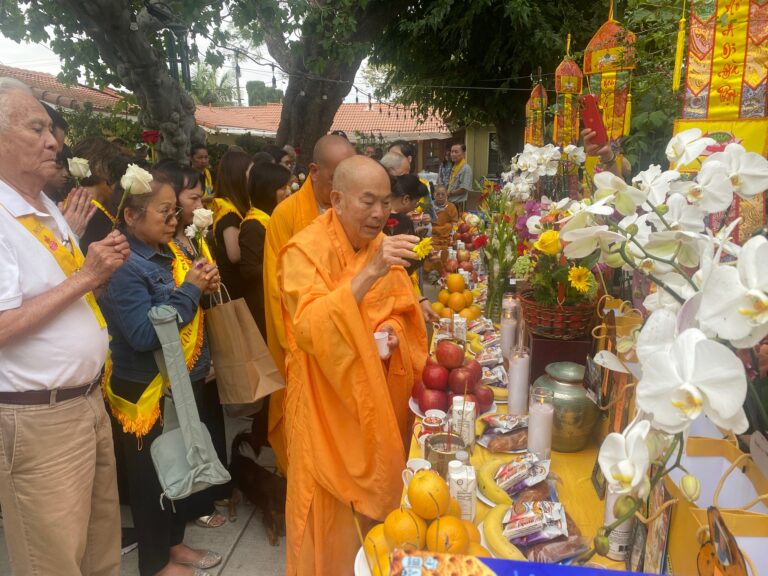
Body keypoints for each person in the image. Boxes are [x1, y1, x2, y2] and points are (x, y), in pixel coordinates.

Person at [0, 77, 129, 575]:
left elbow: (66, 294)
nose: (54, 140)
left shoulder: (48, 207)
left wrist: (96, 272)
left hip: (86, 401)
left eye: (52, 129)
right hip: (39, 418)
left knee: (99, 551)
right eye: (37, 128)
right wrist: (88, 274)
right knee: (52, 560)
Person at [279, 155, 428, 574]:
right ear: (337, 200)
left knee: (377, 525)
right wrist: (369, 275)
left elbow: (401, 308)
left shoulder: (379, 246)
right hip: (325, 405)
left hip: (373, 394)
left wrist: (396, 330)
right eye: (368, 202)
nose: (380, 213)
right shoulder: (304, 251)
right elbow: (309, 328)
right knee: (327, 520)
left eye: (385, 201)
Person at [98, 168, 223, 576]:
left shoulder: (166, 250)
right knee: (151, 479)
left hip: (175, 382)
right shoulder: (125, 266)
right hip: (144, 390)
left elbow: (184, 310)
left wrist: (201, 285)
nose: (175, 222)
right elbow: (141, 333)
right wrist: (190, 289)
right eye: (165, 213)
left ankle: (172, 544)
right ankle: (154, 563)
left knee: (176, 467)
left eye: (175, 213)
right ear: (131, 216)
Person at [263, 134, 355, 475]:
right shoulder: (286, 216)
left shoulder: (352, 208)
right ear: (314, 171)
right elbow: (277, 290)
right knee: (303, 420)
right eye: (336, 179)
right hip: (303, 339)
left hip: (346, 333)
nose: (343, 189)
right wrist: (297, 346)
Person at [154, 160, 229, 530]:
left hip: (203, 343)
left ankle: (209, 490)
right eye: (192, 195)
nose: (200, 201)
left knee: (205, 420)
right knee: (187, 426)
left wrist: (209, 282)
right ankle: (194, 502)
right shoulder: (163, 245)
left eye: (201, 194)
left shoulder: (191, 235)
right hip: (182, 349)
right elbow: (173, 297)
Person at [240, 162, 291, 335]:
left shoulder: (273, 218)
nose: (288, 192)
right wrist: (283, 263)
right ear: (268, 189)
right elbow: (248, 270)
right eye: (283, 188)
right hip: (262, 303)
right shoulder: (253, 225)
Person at [211, 148, 251, 300]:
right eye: (250, 172)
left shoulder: (234, 205)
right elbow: (235, 255)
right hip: (234, 290)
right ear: (238, 176)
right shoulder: (228, 214)